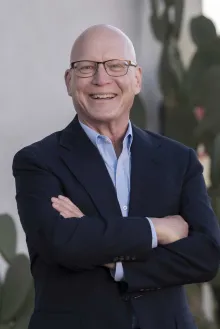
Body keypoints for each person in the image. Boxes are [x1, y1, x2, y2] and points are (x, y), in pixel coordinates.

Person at [12, 24, 220, 329]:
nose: (101, 78)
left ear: (136, 79)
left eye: (116, 66)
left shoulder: (179, 159)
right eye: (86, 67)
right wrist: (156, 229)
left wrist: (107, 253)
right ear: (69, 81)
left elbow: (206, 256)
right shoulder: (38, 162)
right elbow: (61, 243)